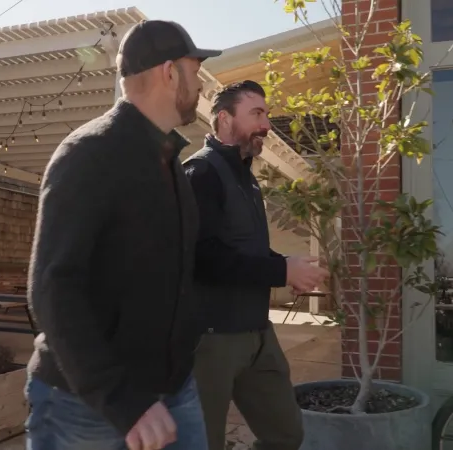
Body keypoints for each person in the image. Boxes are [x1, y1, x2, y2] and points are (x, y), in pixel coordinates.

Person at [25, 20, 221, 450]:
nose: (201, 84)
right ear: (170, 72)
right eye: (196, 69)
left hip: (174, 392)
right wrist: (122, 400)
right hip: (87, 408)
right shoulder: (89, 153)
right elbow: (52, 289)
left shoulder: (169, 159)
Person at [183, 80, 330, 450]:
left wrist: (288, 266)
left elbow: (249, 252)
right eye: (257, 114)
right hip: (211, 340)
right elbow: (203, 257)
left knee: (285, 434)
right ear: (224, 118)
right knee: (203, 443)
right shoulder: (200, 174)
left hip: (258, 335)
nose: (266, 124)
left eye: (266, 114)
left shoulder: (247, 179)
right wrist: (281, 271)